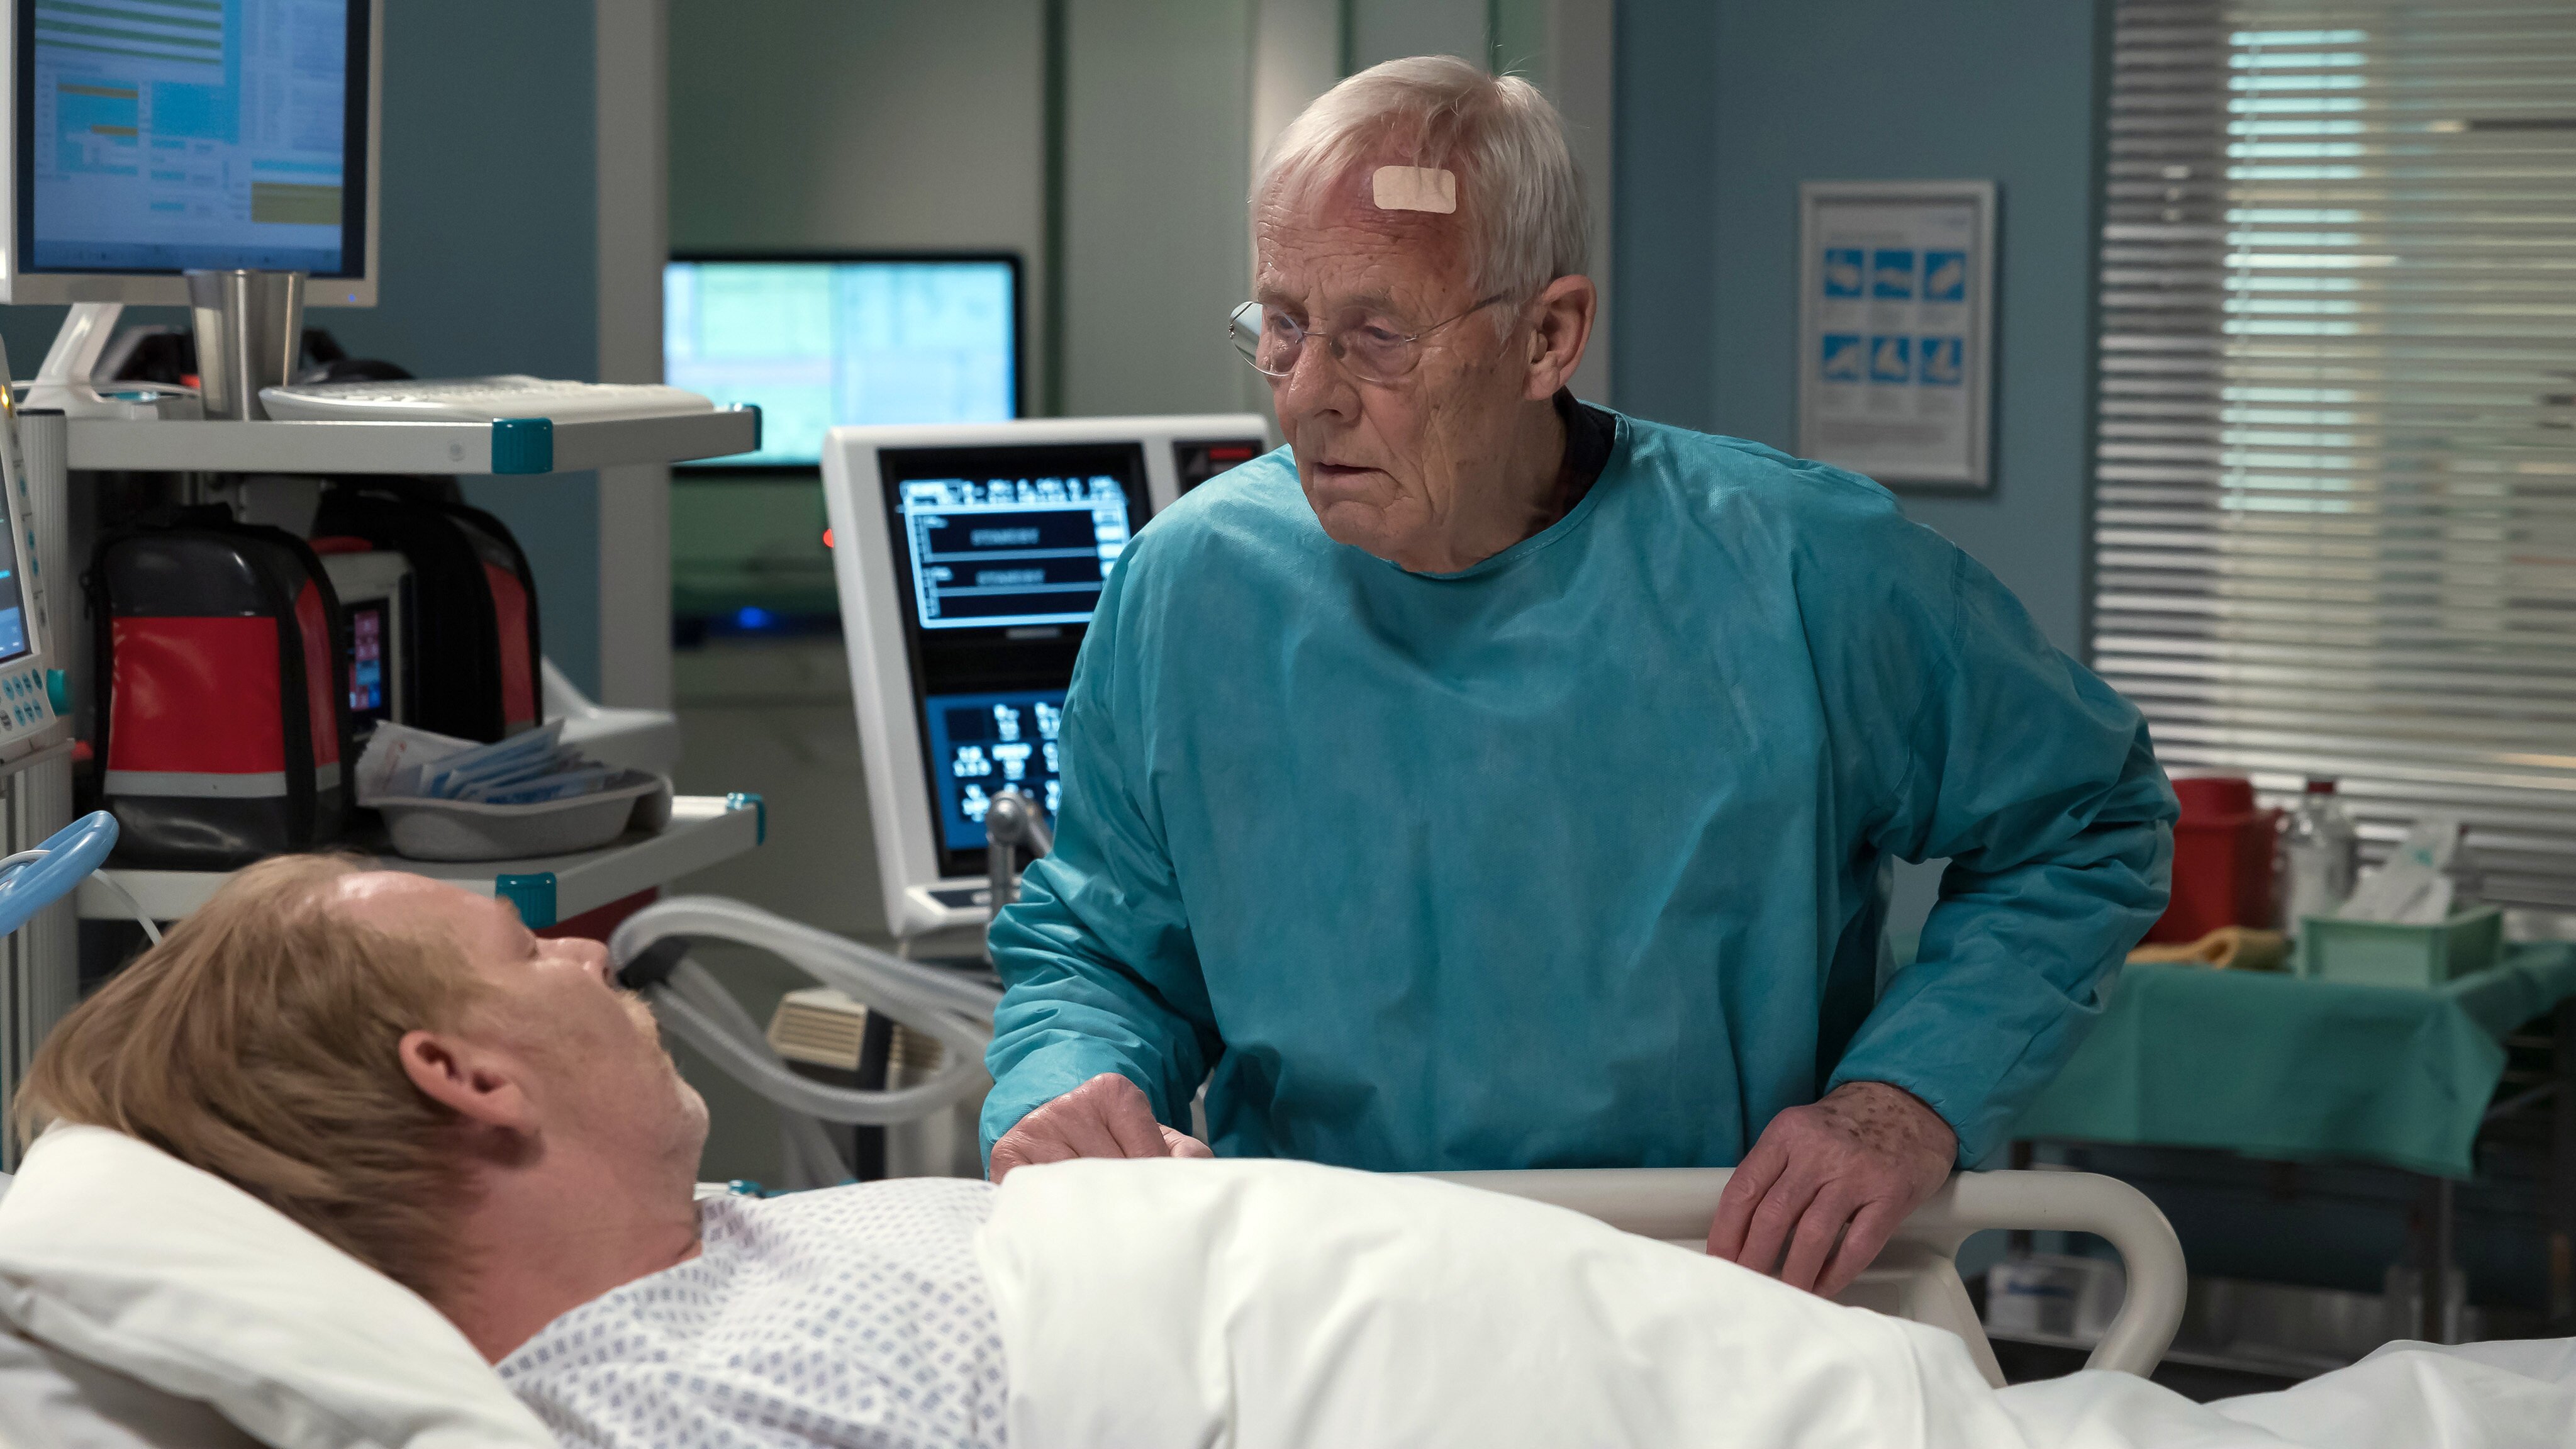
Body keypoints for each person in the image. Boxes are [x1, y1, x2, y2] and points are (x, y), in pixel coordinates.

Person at [980, 53, 2177, 1297]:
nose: (1308, 399)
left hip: (1718, 1301)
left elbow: (2086, 821)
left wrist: (1901, 1098)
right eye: (1281, 328)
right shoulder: (1192, 587)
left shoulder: (1801, 571)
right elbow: (1105, 946)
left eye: (1377, 338)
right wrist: (1071, 1086)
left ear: (1545, 338)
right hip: (1326, 1304)